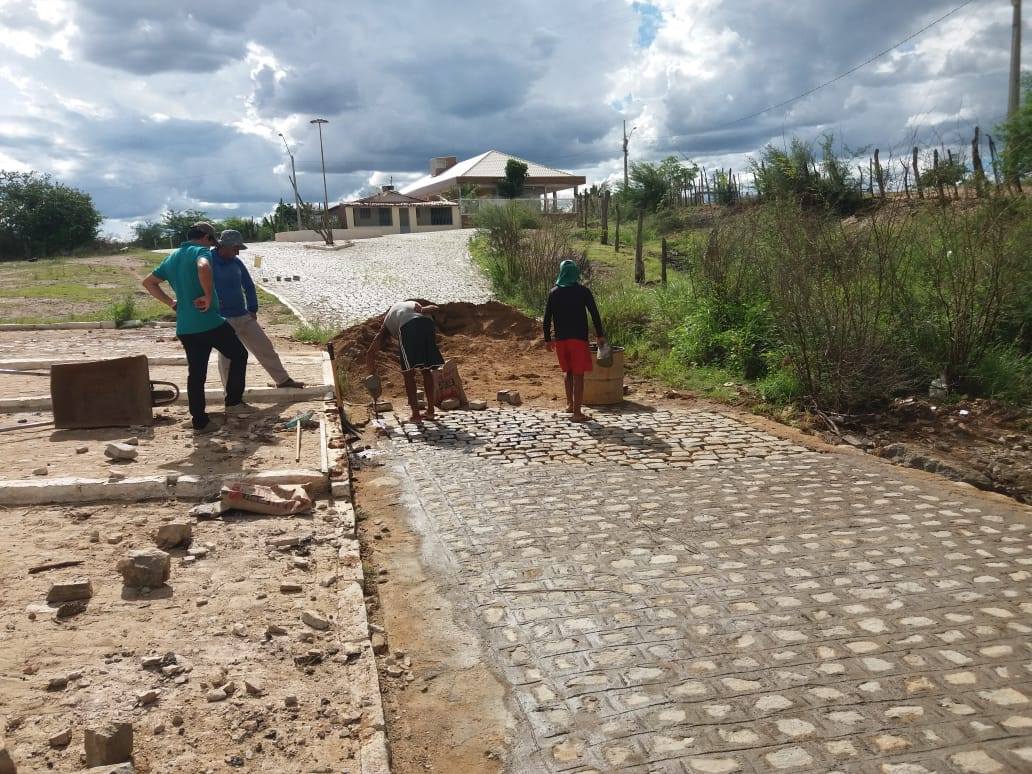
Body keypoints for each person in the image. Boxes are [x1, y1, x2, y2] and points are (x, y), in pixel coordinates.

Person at [142, 221, 253, 433]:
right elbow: (203, 266)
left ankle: (200, 422)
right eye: (212, 241)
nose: (212, 246)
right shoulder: (201, 252)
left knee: (196, 375)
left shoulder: (172, 257)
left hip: (186, 327)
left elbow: (148, 282)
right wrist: (208, 295)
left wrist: (171, 303)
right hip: (209, 322)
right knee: (239, 354)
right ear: (207, 238)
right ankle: (233, 402)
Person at [211, 229, 305, 390]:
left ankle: (283, 380)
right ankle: (230, 393)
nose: (237, 252)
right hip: (222, 319)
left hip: (243, 315)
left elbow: (248, 285)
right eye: (235, 248)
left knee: (265, 347)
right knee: (227, 358)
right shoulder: (208, 261)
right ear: (224, 246)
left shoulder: (236, 262)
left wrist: (252, 308)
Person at [543, 259, 606, 422]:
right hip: (578, 339)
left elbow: (547, 317)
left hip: (561, 340)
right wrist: (600, 334)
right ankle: (577, 413)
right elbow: (594, 314)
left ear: (561, 272)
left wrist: (548, 339)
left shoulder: (554, 293)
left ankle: (570, 405)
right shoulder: (583, 292)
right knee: (578, 375)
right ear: (575, 273)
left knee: (567, 372)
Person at [365, 300, 444, 424]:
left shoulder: (386, 323)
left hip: (408, 326)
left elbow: (370, 352)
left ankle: (416, 415)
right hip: (428, 325)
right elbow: (435, 308)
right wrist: (424, 309)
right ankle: (430, 411)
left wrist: (372, 375)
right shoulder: (406, 307)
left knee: (408, 373)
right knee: (426, 369)